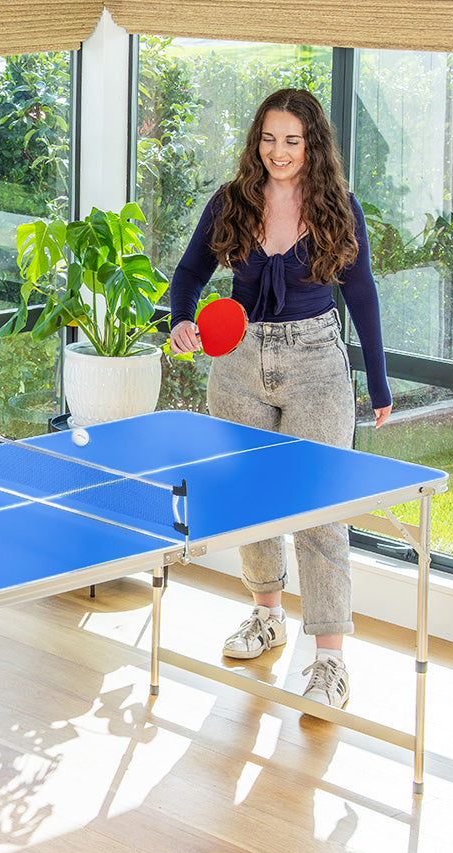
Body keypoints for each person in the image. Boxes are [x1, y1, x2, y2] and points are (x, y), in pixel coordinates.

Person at [167, 87, 392, 709]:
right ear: (256, 142)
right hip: (237, 362)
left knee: (320, 509)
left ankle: (328, 659)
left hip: (317, 362)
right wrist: (180, 318)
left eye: (292, 140)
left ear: (311, 143)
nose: (279, 151)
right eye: (268, 138)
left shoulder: (338, 207)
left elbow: (363, 295)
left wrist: (378, 382)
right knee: (251, 498)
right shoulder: (231, 201)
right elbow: (188, 275)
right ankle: (267, 614)